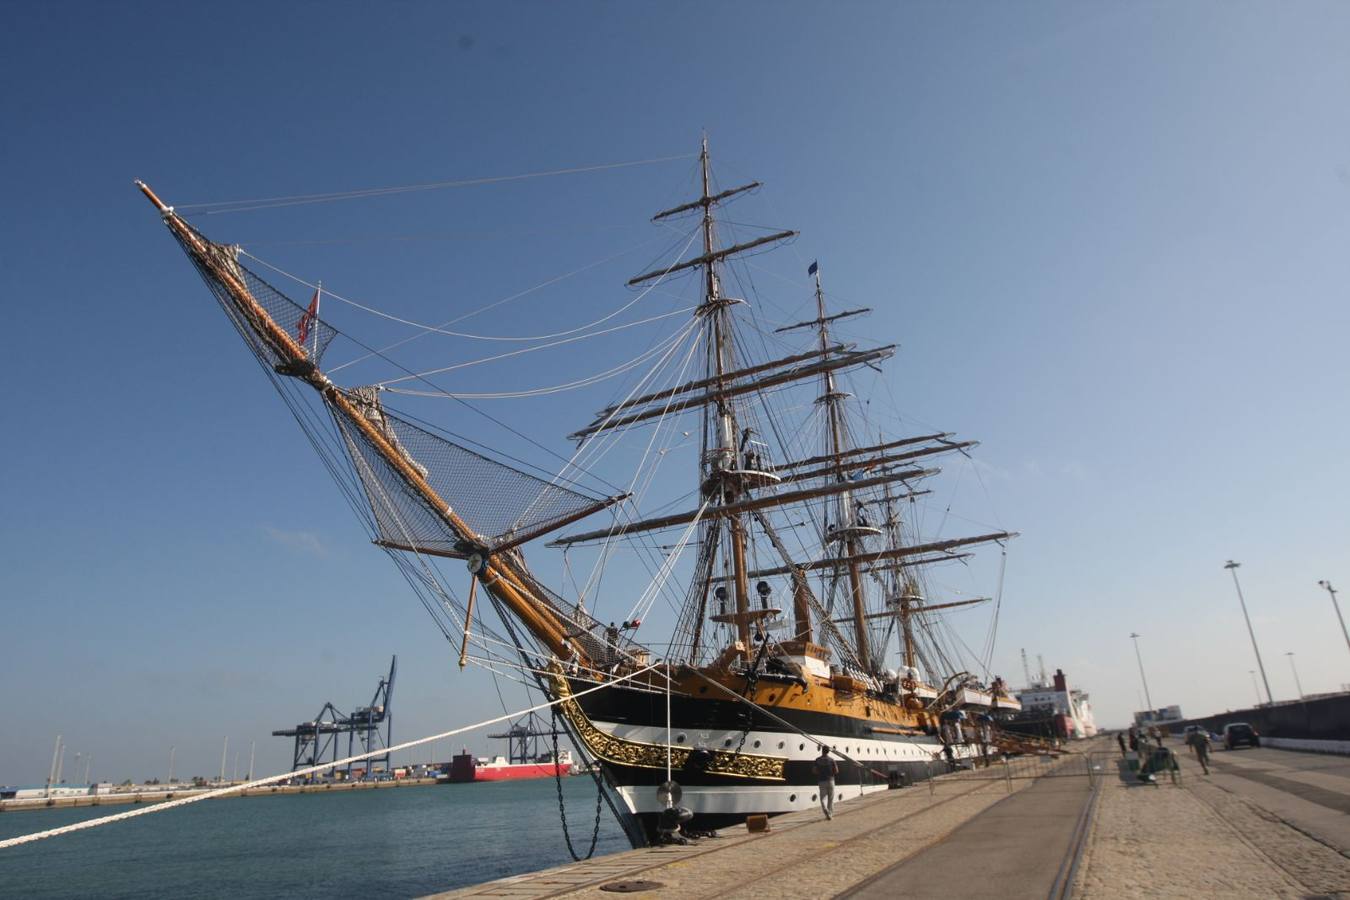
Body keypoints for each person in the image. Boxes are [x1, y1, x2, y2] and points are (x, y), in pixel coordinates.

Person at [814, 746, 838, 820]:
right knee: (830, 799)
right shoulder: (832, 760)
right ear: (828, 751)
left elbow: (814, 771)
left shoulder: (817, 760)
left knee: (823, 799)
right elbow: (836, 771)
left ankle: (825, 810)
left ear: (822, 751)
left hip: (821, 781)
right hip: (831, 780)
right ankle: (830, 814)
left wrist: (820, 773)